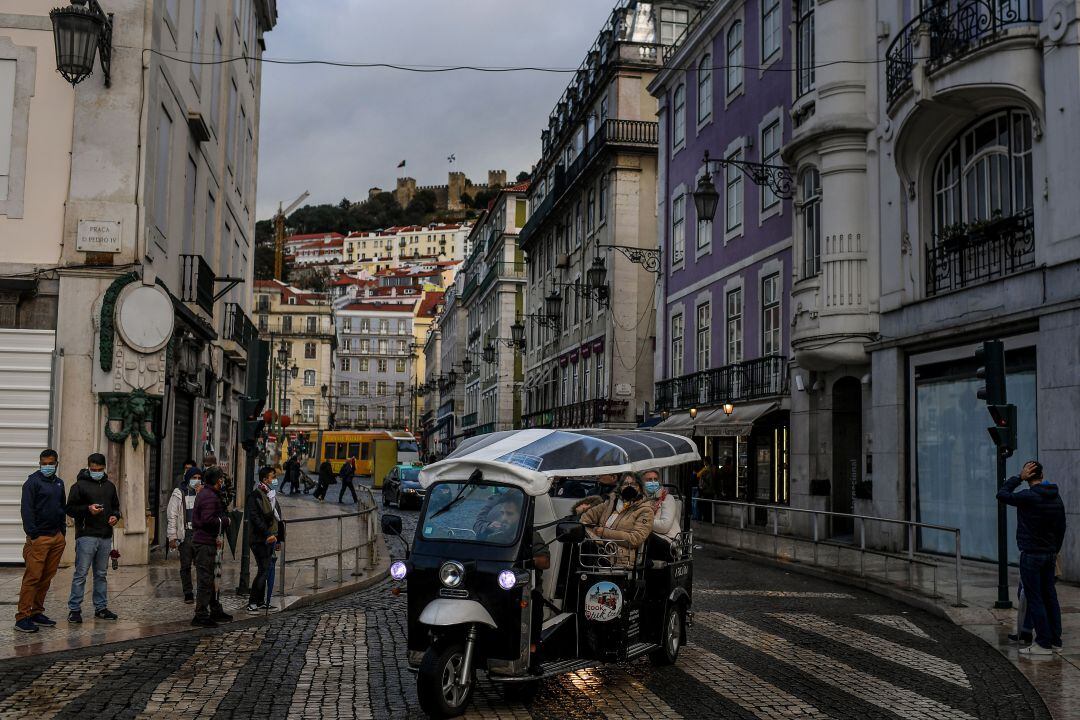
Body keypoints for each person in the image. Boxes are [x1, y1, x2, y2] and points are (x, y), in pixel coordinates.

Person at [997, 460, 1066, 656]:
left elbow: (1002, 495)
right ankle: (1055, 641)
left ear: (1029, 475)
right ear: (1042, 475)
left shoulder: (1028, 496)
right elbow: (1061, 527)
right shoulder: (1056, 497)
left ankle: (1043, 643)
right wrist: (1054, 549)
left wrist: (1018, 478)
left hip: (1031, 555)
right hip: (1050, 554)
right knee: (1050, 597)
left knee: (1035, 598)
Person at [15, 449, 68, 633]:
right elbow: (27, 511)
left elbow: (62, 507)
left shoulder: (59, 483)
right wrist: (33, 534)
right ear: (39, 463)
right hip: (39, 539)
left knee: (46, 577)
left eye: (50, 464)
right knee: (32, 577)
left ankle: (36, 612)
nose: (47, 467)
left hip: (56, 538)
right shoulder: (32, 483)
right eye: (43, 463)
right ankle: (22, 617)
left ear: (56, 464)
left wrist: (62, 532)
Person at [65, 453, 121, 623]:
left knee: (101, 574)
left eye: (99, 469)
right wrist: (87, 509)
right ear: (88, 467)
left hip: (105, 535)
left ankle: (101, 608)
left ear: (104, 468)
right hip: (86, 535)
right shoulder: (79, 486)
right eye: (93, 469)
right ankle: (74, 609)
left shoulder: (110, 486)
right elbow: (70, 509)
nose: (96, 471)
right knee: (81, 573)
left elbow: (116, 507)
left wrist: (115, 517)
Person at [580, 472, 655, 566]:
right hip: (599, 551)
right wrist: (594, 536)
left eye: (633, 484)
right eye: (625, 484)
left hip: (620, 559)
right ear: (620, 487)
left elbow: (636, 539)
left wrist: (604, 533)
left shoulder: (645, 510)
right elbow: (585, 518)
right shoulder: (611, 503)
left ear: (640, 488)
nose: (629, 487)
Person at [190, 467, 233, 627]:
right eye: (221, 479)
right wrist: (225, 521)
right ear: (216, 480)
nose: (222, 481)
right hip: (205, 543)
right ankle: (201, 615)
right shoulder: (208, 496)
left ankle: (214, 609)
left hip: (210, 541)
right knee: (206, 579)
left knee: (213, 579)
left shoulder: (210, 494)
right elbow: (208, 520)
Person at [166, 466, 203, 603]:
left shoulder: (203, 493)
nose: (197, 480)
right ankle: (188, 592)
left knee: (201, 565)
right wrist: (172, 536)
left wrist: (200, 494)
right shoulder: (179, 493)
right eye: (194, 478)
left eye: (199, 478)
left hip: (200, 533)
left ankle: (202, 591)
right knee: (185, 565)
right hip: (186, 533)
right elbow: (172, 515)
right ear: (188, 478)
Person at [246, 467, 280, 613]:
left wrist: (278, 539)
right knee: (263, 570)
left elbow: (277, 518)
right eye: (273, 477)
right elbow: (256, 518)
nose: (275, 480)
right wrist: (267, 534)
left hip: (269, 538)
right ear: (265, 480)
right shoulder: (256, 495)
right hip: (259, 539)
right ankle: (252, 602)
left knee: (264, 570)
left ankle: (259, 602)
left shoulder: (271, 495)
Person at [643, 469, 681, 543]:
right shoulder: (642, 500)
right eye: (649, 480)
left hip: (667, 542)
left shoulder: (668, 498)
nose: (653, 482)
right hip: (648, 542)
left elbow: (664, 526)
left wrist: (642, 521)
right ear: (642, 483)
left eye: (655, 479)